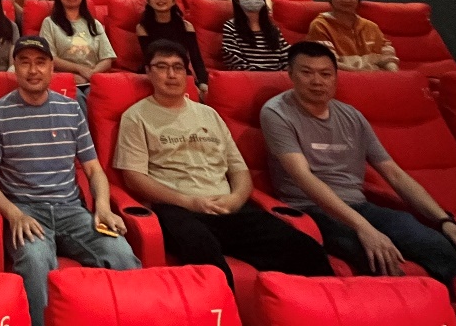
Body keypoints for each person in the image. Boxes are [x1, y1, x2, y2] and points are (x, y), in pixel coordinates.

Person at [261, 42, 456, 292]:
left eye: (325, 74)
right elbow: (303, 177)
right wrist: (364, 228)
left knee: (443, 248)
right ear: (290, 74)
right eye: (306, 72)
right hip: (311, 210)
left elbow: (394, 174)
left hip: (360, 205)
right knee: (377, 258)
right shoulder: (276, 113)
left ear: (336, 77)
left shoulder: (352, 116)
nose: (317, 81)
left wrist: (443, 220)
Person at [115, 40, 333, 290]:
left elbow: (239, 169)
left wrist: (236, 199)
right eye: (162, 67)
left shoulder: (209, 115)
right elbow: (134, 177)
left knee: (307, 250)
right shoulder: (136, 116)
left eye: (178, 67)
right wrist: (190, 202)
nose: (171, 74)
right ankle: (223, 309)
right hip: (178, 207)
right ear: (148, 71)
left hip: (227, 206)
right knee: (205, 256)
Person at [0, 36, 140, 326]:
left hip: (72, 210)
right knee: (35, 261)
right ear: (14, 67)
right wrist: (14, 215)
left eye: (40, 62)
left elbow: (94, 170)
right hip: (27, 211)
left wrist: (103, 207)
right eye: (25, 62)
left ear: (52, 68)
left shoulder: (71, 109)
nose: (33, 70)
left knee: (122, 255)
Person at [38, 0, 116, 92]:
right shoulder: (50, 23)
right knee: (77, 96)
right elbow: (50, 58)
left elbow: (107, 59)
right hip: (65, 80)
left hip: (92, 79)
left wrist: (91, 74)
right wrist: (79, 70)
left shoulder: (94, 24)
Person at [307, 0, 398, 72]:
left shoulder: (371, 26)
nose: (346, 0)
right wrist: (364, 74)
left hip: (377, 77)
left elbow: (387, 56)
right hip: (343, 78)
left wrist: (393, 73)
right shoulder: (320, 25)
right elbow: (329, 64)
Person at [137, 0, 208, 98]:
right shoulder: (142, 28)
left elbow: (196, 58)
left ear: (174, 0)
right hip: (155, 72)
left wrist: (203, 83)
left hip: (180, 71)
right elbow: (149, 58)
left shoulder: (186, 26)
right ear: (148, 1)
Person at [222, 0, 290, 71]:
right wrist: (260, 75)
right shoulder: (230, 27)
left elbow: (288, 57)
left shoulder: (273, 28)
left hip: (277, 77)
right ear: (237, 0)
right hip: (248, 77)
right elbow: (233, 60)